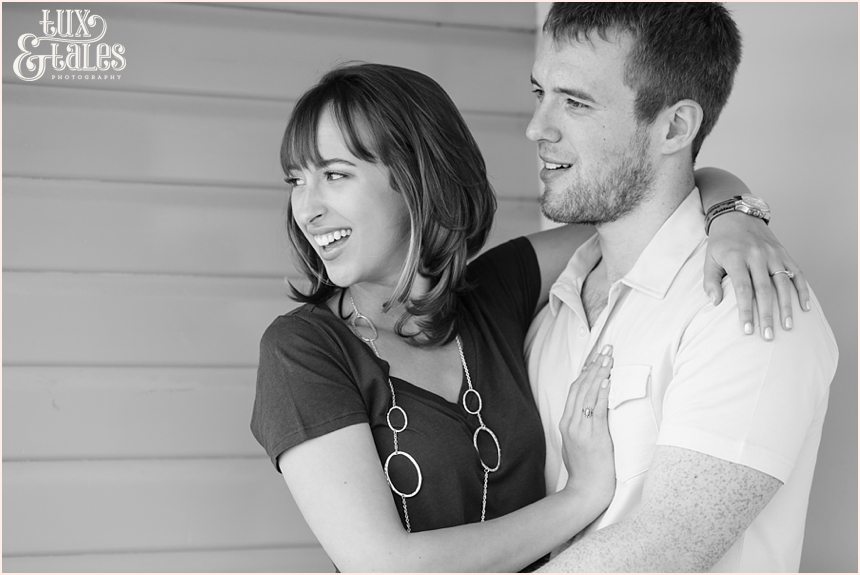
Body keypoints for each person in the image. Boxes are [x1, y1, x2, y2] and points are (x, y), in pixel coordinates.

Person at [250, 62, 808, 572]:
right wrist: (581, 498)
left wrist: (735, 217)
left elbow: (651, 203)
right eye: (297, 179)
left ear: (417, 175)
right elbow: (387, 566)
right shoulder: (304, 350)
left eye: (335, 175)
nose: (307, 208)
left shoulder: (494, 293)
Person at [524, 4, 838, 572]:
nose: (537, 128)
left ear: (674, 127)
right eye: (539, 92)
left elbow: (662, 550)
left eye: (574, 101)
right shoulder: (554, 307)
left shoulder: (748, 305)